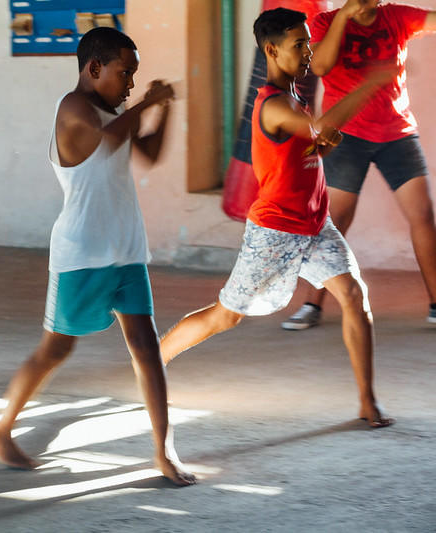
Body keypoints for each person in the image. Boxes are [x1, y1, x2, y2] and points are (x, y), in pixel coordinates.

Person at [159, 8, 394, 428]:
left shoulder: (293, 99)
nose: (309, 52)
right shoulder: (271, 103)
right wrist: (370, 83)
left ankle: (366, 402)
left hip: (316, 226)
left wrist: (318, 149)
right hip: (275, 231)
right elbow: (318, 128)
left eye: (308, 42)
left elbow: (303, 146)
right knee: (225, 315)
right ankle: (153, 362)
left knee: (355, 297)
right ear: (271, 50)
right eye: (299, 44)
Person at [0, 27, 196, 486]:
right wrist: (148, 103)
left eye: (134, 76)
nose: (130, 84)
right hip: (81, 254)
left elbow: (149, 153)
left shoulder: (119, 108)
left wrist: (164, 110)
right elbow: (110, 138)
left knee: (146, 346)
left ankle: (164, 448)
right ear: (94, 68)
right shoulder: (73, 107)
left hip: (126, 249)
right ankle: (0, 430)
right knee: (55, 349)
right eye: (126, 73)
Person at [282, 0, 436, 330]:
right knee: (334, 221)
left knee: (423, 215)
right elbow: (320, 67)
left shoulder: (396, 16)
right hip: (346, 136)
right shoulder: (324, 22)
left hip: (397, 134)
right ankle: (311, 304)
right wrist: (345, 17)